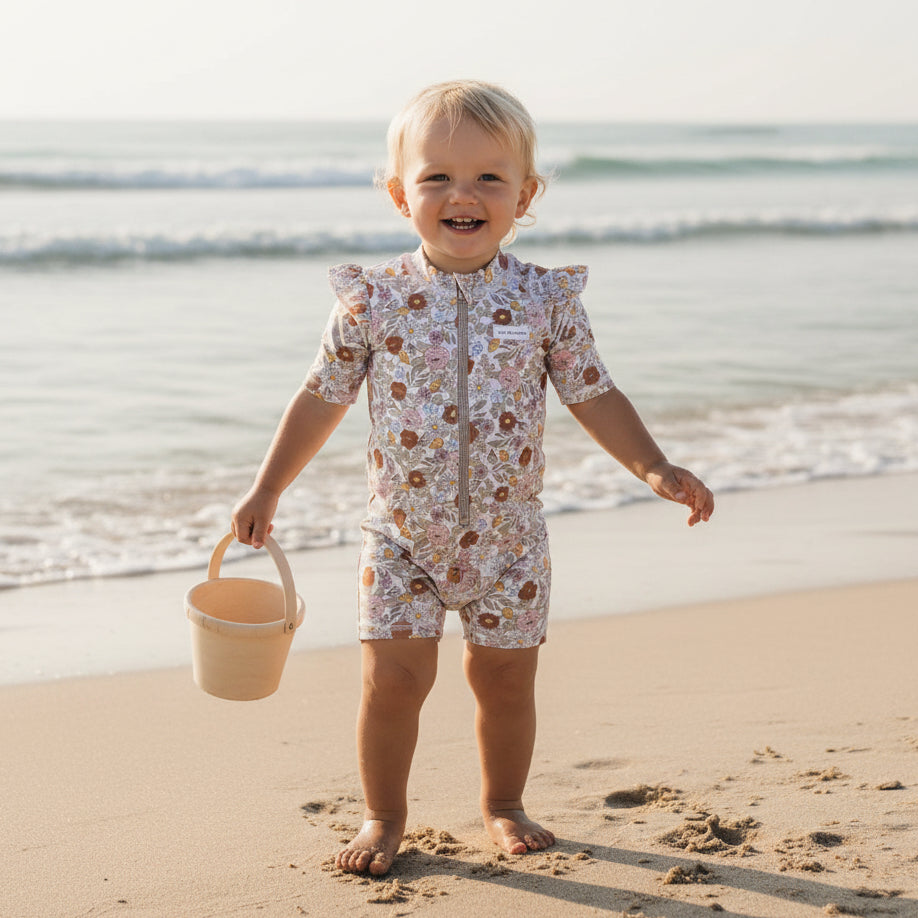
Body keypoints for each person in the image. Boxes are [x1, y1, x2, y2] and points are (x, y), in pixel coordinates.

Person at [231, 80, 714, 876]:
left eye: (489, 177)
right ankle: (384, 816)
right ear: (400, 195)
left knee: (506, 682)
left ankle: (504, 804)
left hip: (510, 542)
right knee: (392, 682)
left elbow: (594, 393)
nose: (463, 195)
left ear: (525, 196)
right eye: (437, 178)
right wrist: (268, 487)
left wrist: (654, 466)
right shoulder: (372, 301)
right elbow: (321, 396)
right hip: (400, 539)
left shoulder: (545, 300)